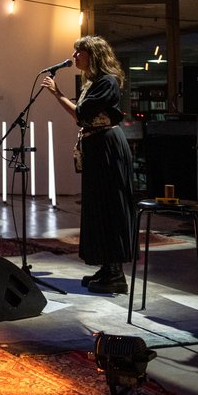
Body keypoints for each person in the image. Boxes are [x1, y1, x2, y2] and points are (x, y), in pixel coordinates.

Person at [42, 35, 134, 294]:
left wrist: (56, 93)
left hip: (107, 148)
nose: (74, 56)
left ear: (92, 55)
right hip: (97, 147)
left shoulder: (107, 82)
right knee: (98, 206)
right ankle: (106, 267)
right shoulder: (94, 82)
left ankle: (115, 273)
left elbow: (82, 116)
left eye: (78, 52)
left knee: (110, 206)